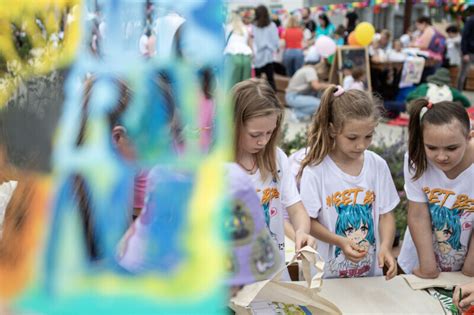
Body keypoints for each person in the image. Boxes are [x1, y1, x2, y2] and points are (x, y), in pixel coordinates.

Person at [298, 85, 399, 279]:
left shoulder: (377, 165)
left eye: (368, 136)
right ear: (332, 130)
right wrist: (340, 241)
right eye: (352, 137)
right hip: (325, 277)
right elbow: (308, 222)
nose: (361, 145)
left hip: (368, 276)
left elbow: (386, 214)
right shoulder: (316, 170)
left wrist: (386, 246)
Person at [232, 78, 316, 263]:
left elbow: (295, 208)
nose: (263, 141)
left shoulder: (277, 158)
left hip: (273, 268)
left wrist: (301, 231)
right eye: (255, 135)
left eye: (270, 133)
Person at [397, 100, 474, 278]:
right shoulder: (416, 158)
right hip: (423, 256)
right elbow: (418, 214)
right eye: (431, 147)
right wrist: (427, 266)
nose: (441, 156)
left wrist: (471, 267)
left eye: (451, 148)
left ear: (469, 137)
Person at [406, 67, 471, 108]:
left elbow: (409, 97)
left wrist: (421, 98)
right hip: (443, 115)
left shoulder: (424, 86)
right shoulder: (451, 91)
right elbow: (467, 103)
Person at [252, 5, 279, 91]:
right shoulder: (272, 25)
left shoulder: (253, 26)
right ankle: (273, 101)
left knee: (256, 83)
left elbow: (252, 42)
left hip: (257, 57)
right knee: (271, 81)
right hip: (268, 57)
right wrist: (272, 48)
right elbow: (275, 41)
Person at [224, 12, 253, 89]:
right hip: (246, 56)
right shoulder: (245, 29)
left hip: (232, 55)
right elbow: (249, 43)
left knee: (232, 85)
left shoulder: (227, 27)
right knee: (245, 86)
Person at [457, 14, 474, 90]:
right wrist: (465, 53)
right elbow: (464, 36)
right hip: (469, 51)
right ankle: (458, 92)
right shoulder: (471, 20)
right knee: (463, 74)